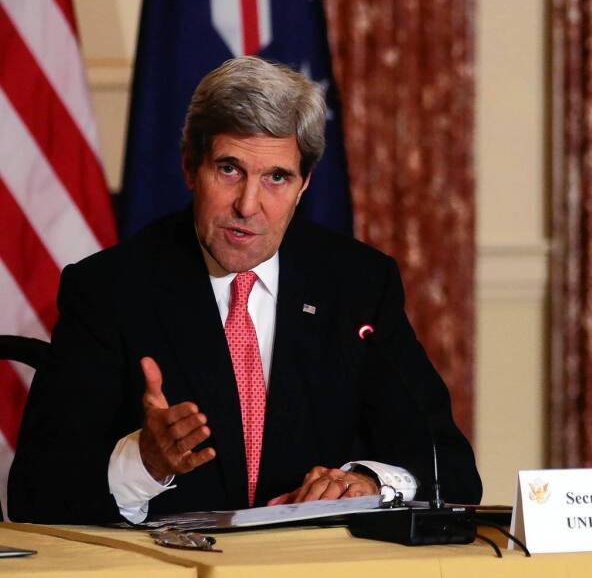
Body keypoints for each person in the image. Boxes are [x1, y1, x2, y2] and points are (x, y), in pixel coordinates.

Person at [8, 57, 481, 523]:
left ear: (303, 185)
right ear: (191, 168)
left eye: (276, 177)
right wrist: (144, 462)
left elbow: (450, 468)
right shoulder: (111, 289)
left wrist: (370, 484)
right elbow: (37, 493)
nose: (248, 205)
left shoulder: (357, 285)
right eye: (230, 169)